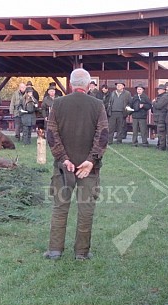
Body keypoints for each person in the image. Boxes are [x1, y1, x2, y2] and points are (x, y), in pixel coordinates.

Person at [44, 68, 108, 261]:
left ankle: (55, 250)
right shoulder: (98, 105)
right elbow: (103, 135)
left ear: (71, 84)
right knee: (86, 209)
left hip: (63, 168)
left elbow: (51, 134)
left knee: (60, 207)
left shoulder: (58, 103)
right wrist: (91, 160)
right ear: (89, 85)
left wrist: (63, 159)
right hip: (89, 169)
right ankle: (81, 252)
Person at [152, 84, 168, 151]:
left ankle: (162, 147)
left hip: (161, 118)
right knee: (160, 132)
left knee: (161, 133)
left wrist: (154, 102)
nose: (158, 91)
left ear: (163, 90)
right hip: (159, 117)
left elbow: (158, 106)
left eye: (159, 89)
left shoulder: (164, 97)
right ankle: (159, 145)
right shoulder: (161, 97)